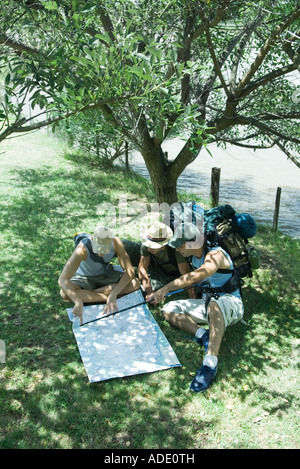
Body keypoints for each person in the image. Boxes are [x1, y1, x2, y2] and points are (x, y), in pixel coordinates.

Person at [152, 222, 244, 393]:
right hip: (209, 303)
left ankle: (210, 365)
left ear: (195, 242)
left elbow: (196, 276)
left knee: (216, 304)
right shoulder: (194, 256)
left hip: (230, 303)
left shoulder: (216, 255)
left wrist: (166, 288)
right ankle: (204, 335)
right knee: (169, 309)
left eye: (180, 244)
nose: (177, 249)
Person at [58, 225, 140, 324]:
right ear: (92, 239)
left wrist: (114, 293)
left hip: (105, 275)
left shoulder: (116, 242)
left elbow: (130, 271)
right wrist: (77, 301)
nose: (101, 253)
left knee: (135, 284)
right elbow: (62, 279)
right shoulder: (81, 249)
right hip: (84, 277)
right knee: (64, 293)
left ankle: (90, 294)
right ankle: (104, 297)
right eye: (99, 249)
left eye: (105, 250)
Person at [138, 222, 196, 306]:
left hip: (175, 275)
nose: (149, 249)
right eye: (148, 245)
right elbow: (142, 268)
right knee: (141, 290)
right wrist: (149, 292)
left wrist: (193, 299)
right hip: (157, 269)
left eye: (153, 246)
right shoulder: (146, 245)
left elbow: (186, 276)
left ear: (163, 245)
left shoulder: (176, 250)